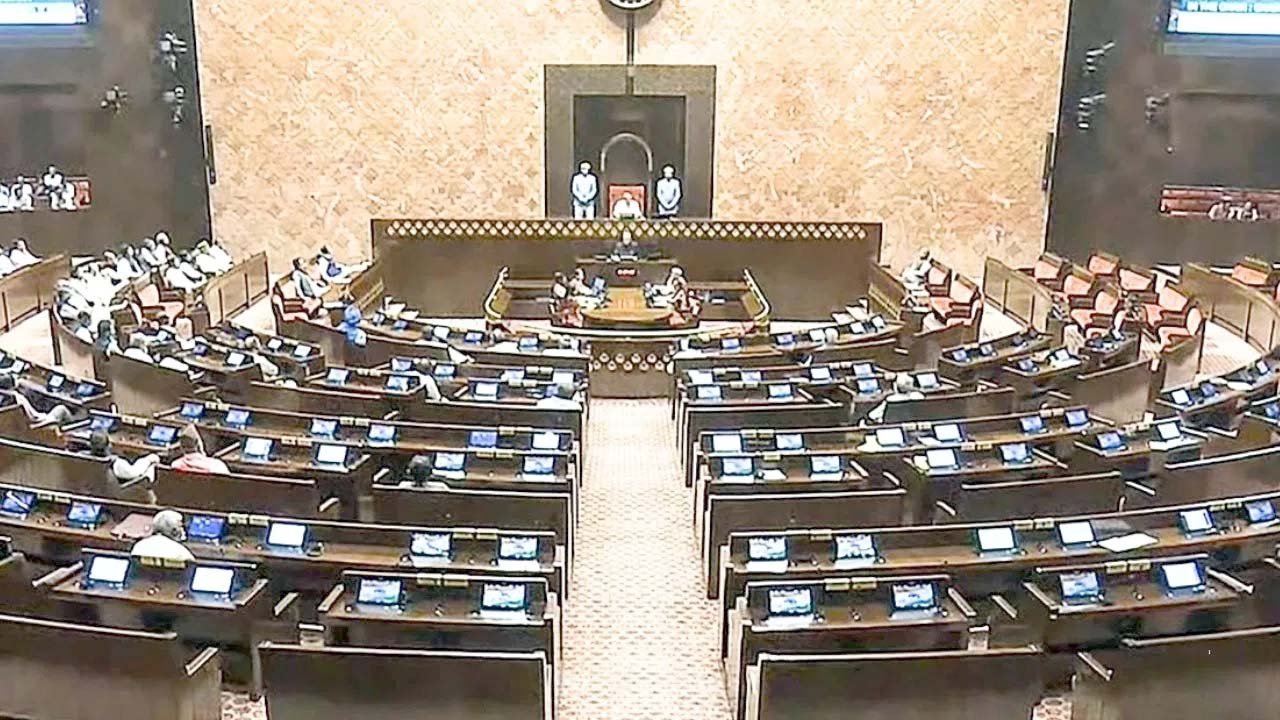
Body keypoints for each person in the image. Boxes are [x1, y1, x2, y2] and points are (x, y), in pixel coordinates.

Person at [89, 430, 162, 489]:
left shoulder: (84, 457)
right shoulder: (115, 462)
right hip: (120, 493)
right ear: (109, 445)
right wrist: (149, 459)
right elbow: (133, 472)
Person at [0, 374, 73, 428]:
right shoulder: (14, 397)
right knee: (61, 409)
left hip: (28, 424)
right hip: (39, 424)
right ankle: (74, 434)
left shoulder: (9, 397)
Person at [130, 509, 195, 562]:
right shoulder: (182, 552)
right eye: (181, 526)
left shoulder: (139, 546)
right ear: (174, 530)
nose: (183, 530)